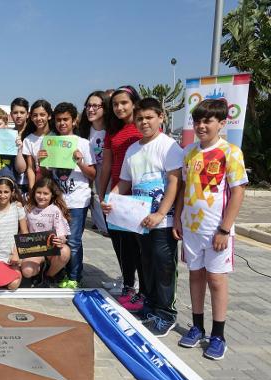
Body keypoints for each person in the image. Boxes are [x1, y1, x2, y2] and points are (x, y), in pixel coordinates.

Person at [102, 98, 183, 336]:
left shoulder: (169, 146)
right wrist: (112, 199)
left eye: (149, 117)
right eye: (140, 118)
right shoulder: (133, 149)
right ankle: (149, 308)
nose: (144, 122)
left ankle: (166, 314)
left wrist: (160, 213)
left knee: (164, 268)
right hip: (139, 222)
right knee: (146, 265)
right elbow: (126, 181)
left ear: (161, 117)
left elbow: (174, 181)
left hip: (162, 222)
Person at [174, 99, 247, 360]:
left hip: (217, 230)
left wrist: (225, 230)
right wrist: (177, 219)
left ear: (222, 123)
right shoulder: (189, 152)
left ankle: (218, 335)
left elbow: (238, 191)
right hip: (192, 229)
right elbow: (183, 188)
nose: (202, 126)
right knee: (195, 277)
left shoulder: (230, 152)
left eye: (208, 121)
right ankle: (197, 327)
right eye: (198, 121)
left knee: (216, 280)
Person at [40, 102, 96, 288]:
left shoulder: (83, 144)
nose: (62, 123)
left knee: (73, 241)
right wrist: (41, 163)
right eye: (58, 120)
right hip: (57, 202)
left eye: (66, 119)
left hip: (77, 201)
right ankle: (59, 273)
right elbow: (48, 175)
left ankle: (74, 277)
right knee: (56, 240)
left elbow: (92, 174)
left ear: (74, 121)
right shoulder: (50, 142)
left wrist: (79, 162)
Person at [98, 85, 144, 305]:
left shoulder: (143, 126)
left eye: (124, 102)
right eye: (115, 104)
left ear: (134, 103)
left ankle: (143, 291)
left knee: (138, 247)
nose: (119, 107)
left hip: (140, 196)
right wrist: (102, 194)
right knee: (121, 245)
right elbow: (106, 165)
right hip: (116, 196)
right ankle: (128, 285)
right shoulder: (112, 131)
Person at [21, 178, 71, 287]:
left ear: (52, 195)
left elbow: (62, 233)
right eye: (39, 192)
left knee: (65, 252)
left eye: (45, 194)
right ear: (34, 193)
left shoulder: (55, 210)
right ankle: (37, 272)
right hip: (34, 248)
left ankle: (48, 275)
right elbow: (22, 230)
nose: (41, 196)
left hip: (50, 248)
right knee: (27, 271)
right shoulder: (27, 209)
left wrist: (61, 240)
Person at [0, 177, 28, 290]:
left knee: (13, 286)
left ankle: (7, 276)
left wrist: (17, 253)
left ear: (12, 192)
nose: (3, 195)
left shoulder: (17, 207)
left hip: (11, 257)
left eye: (6, 192)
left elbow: (24, 232)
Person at [79, 90, 110, 235]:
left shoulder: (113, 130)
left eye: (95, 106)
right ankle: (104, 228)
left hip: (109, 175)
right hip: (89, 174)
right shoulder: (82, 131)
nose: (91, 109)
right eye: (88, 106)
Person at [22, 100, 55, 191]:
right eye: (35, 115)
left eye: (42, 114)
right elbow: (30, 168)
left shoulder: (57, 136)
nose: (38, 118)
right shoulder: (28, 140)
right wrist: (31, 190)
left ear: (49, 116)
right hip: (40, 186)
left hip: (58, 185)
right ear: (31, 117)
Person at [10, 97, 30, 195]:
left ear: (27, 114)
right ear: (11, 115)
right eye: (15, 112)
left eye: (22, 112)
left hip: (30, 183)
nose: (18, 115)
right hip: (13, 183)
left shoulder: (33, 134)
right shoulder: (8, 135)